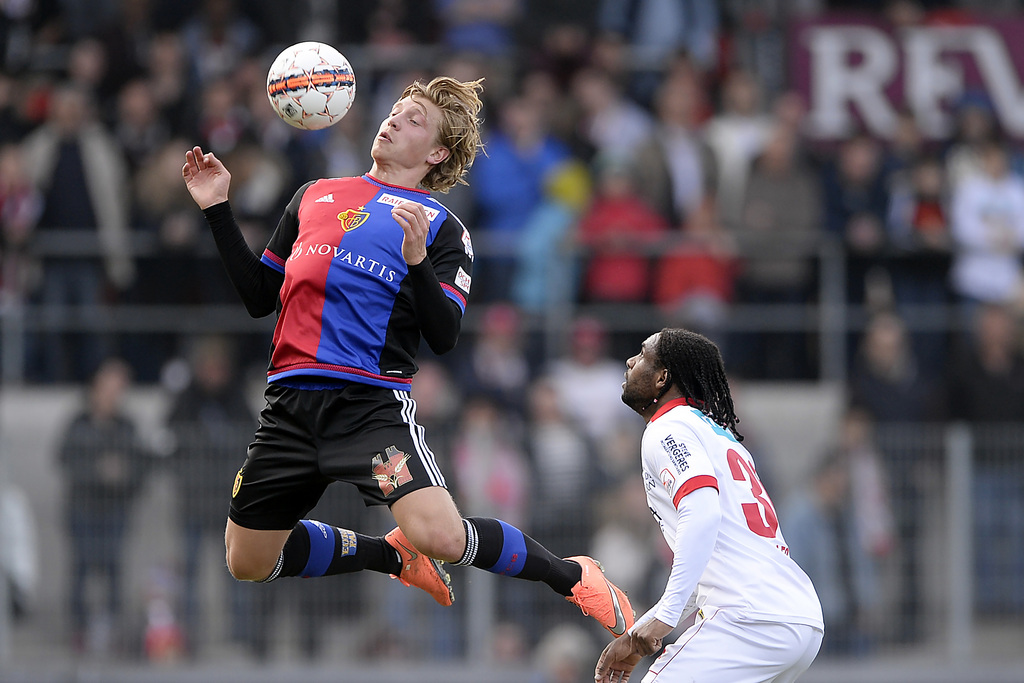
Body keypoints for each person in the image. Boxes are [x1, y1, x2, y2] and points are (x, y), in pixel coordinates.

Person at [181, 75, 634, 639]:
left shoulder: (442, 228)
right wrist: (217, 209)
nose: (394, 119)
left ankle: (571, 575)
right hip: (288, 405)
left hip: (368, 407)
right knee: (246, 561)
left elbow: (443, 336)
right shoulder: (313, 195)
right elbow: (257, 297)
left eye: (414, 119)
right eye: (396, 109)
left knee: (442, 535)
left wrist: (417, 260)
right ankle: (393, 558)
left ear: (438, 153)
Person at [594, 328, 823, 683]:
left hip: (749, 619)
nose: (630, 361)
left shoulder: (667, 429)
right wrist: (641, 634)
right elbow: (708, 562)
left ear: (662, 378)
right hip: (796, 619)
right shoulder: (716, 434)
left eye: (641, 355)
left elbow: (702, 513)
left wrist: (666, 616)